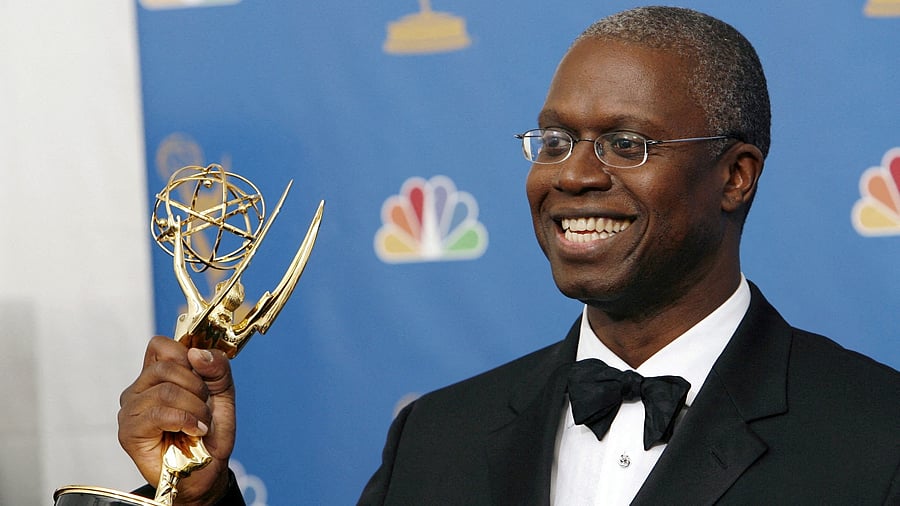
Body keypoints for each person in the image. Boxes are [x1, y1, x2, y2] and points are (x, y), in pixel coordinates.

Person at [118, 6, 900, 505]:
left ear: (735, 176)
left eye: (625, 143)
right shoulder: (436, 437)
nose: (574, 174)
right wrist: (198, 496)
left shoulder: (877, 436)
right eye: (555, 141)